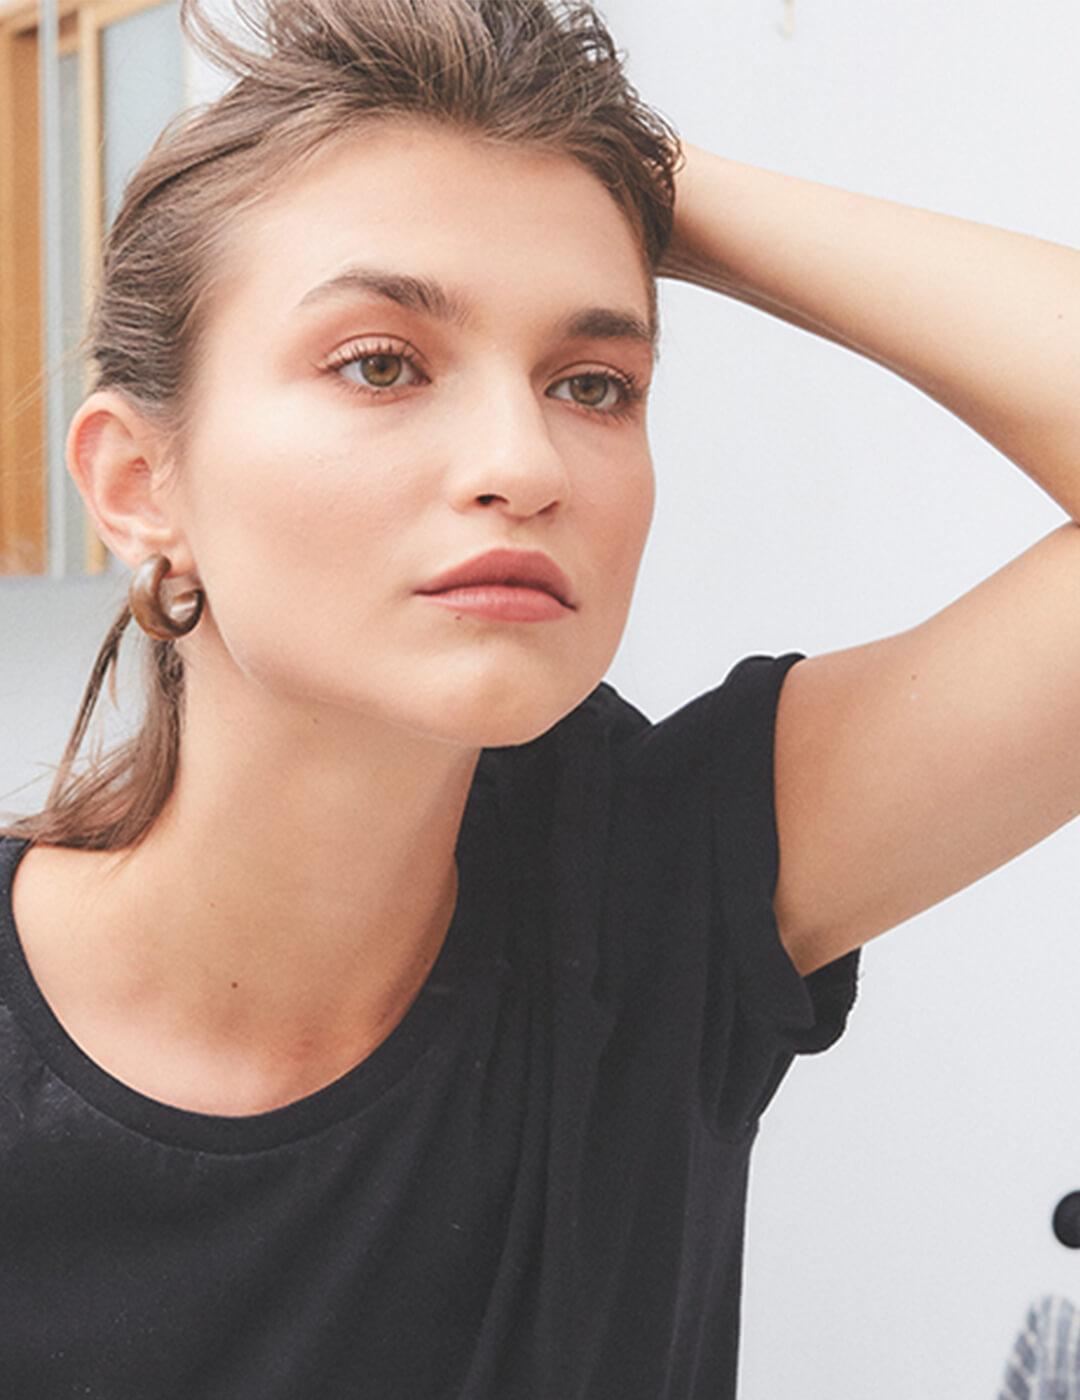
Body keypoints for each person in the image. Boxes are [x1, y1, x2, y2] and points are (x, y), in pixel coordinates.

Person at [3, 0, 1079, 1395]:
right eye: (381, 363)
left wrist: (633, 168)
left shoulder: (656, 890)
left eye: (593, 382)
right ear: (139, 483)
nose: (524, 464)